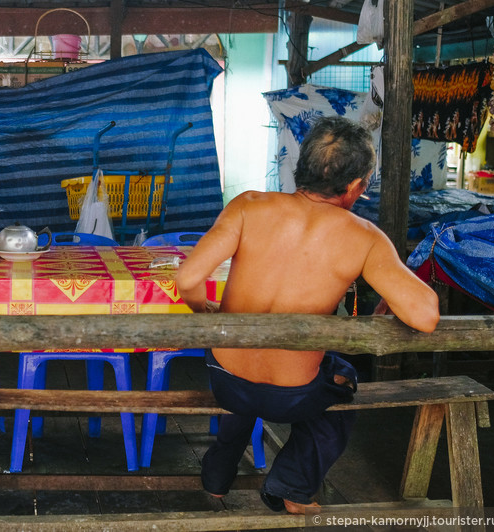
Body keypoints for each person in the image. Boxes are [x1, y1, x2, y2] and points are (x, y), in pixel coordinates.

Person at [175, 116, 440, 514]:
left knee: (244, 401)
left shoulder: (248, 206)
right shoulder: (364, 237)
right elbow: (425, 316)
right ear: (355, 186)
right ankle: (293, 489)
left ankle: (215, 481)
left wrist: (207, 312)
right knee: (341, 379)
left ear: (303, 168)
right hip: (292, 397)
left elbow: (188, 278)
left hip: (226, 380)